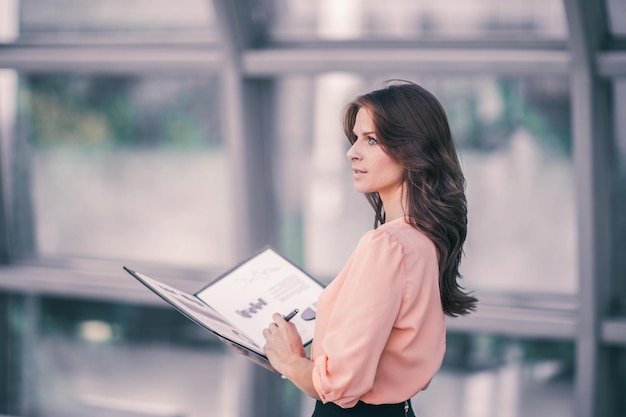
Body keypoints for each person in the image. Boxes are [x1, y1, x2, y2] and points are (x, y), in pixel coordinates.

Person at [262, 80, 477, 416]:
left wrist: (289, 361)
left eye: (372, 140)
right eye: (356, 138)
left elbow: (339, 385)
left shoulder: (388, 244)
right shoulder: (424, 239)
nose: (352, 152)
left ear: (412, 149)